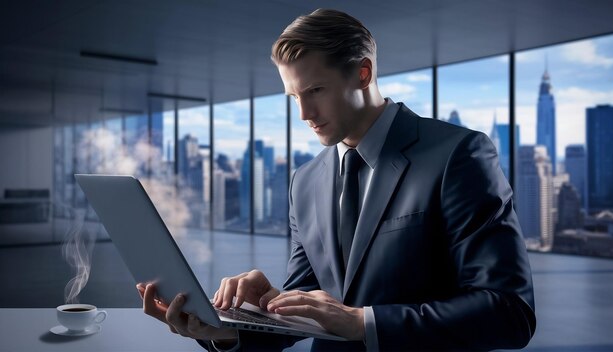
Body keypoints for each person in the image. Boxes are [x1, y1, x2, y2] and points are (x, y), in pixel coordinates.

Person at [137, 8, 536, 351]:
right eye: (294, 96)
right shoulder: (305, 182)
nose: (304, 114)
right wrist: (230, 327)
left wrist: (362, 322)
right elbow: (309, 312)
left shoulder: (457, 155)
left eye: (315, 90)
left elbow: (508, 312)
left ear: (363, 74)